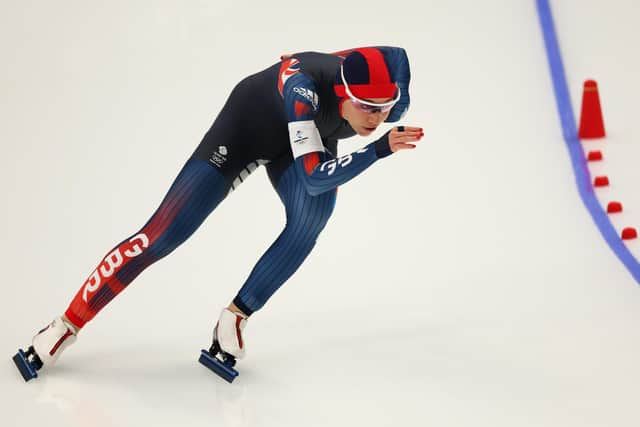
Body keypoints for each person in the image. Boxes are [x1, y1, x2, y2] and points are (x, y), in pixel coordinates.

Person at [13, 46, 423, 382]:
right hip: (248, 129)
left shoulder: (393, 91)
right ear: (342, 93)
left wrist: (310, 58)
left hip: (309, 137)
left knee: (312, 217)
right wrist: (377, 148)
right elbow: (314, 177)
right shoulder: (304, 94)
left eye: (385, 108)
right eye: (367, 107)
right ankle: (65, 324)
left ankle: (235, 318)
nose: (376, 119)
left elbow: (385, 57)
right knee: (163, 235)